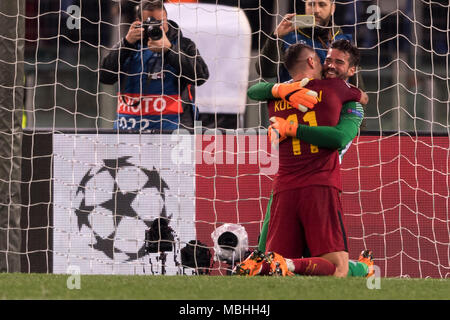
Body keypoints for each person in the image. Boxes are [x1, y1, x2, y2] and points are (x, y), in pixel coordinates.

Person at [235, 43, 365, 278]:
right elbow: (344, 127)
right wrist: (279, 90)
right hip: (318, 183)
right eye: (328, 60)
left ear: (352, 70)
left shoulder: (345, 101)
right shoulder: (335, 91)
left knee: (277, 258)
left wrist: (288, 120)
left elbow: (254, 91)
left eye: (339, 62)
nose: (331, 66)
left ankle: (257, 266)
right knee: (336, 267)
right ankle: (364, 268)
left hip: (290, 181)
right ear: (315, 62)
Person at [99, 0, 209, 131]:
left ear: (166, 19)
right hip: (128, 130)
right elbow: (105, 77)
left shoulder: (183, 44)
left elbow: (201, 76)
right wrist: (126, 44)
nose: (157, 27)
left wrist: (169, 50)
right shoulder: (129, 46)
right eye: (149, 23)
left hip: (173, 132)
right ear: (138, 22)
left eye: (160, 22)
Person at [256, 0, 352, 82]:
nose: (316, 10)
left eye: (322, 5)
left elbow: (356, 82)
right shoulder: (287, 35)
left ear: (332, 8)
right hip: (291, 101)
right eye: (311, 4)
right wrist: (276, 37)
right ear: (305, 6)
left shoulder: (342, 39)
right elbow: (265, 72)